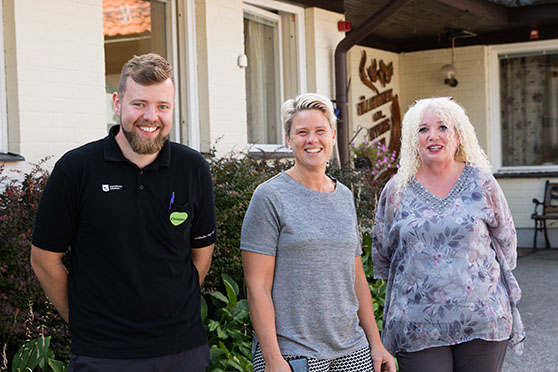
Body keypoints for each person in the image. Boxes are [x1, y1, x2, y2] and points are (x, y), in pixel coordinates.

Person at [30, 53, 216, 372]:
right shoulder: (76, 170)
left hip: (182, 351)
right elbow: (44, 259)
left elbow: (201, 254)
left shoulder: (192, 169)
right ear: (117, 103)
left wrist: (172, 302)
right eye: (139, 104)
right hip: (102, 355)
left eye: (162, 106)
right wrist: (84, 321)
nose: (151, 116)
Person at [241, 93, 396, 372]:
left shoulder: (345, 196)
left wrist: (376, 341)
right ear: (289, 140)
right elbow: (257, 287)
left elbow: (357, 278)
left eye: (320, 131)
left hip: (352, 349)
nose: (312, 140)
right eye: (302, 132)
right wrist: (273, 359)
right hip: (293, 353)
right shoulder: (270, 197)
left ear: (333, 136)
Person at [372, 97, 525, 372]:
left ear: (458, 135)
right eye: (423, 129)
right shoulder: (396, 190)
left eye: (443, 127)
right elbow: (383, 254)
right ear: (412, 139)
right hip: (418, 324)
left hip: (482, 318)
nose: (433, 136)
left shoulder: (483, 182)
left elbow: (507, 244)